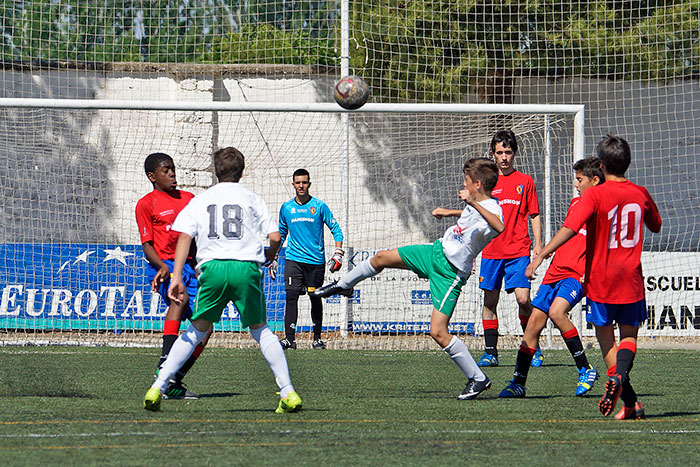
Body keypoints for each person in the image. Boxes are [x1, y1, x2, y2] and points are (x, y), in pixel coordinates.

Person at [314, 157, 504, 400]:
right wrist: (450, 212)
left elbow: (499, 226)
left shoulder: (493, 208)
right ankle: (344, 285)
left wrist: (472, 203)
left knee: (438, 332)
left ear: (478, 184)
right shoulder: (475, 204)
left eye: (467, 181)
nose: (463, 185)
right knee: (382, 257)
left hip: (450, 273)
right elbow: (472, 217)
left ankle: (478, 378)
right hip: (435, 252)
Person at [143, 147, 302, 414]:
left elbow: (184, 237)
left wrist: (177, 275)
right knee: (261, 331)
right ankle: (288, 392)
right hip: (245, 268)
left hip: (213, 268)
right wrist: (269, 256)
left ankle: (157, 387)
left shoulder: (202, 199)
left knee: (195, 331)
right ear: (242, 172)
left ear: (216, 171)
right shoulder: (253, 198)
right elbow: (275, 237)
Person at [526, 135, 661, 419]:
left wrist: (542, 253)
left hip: (600, 280)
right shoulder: (640, 193)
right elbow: (656, 225)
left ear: (601, 166)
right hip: (631, 279)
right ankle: (628, 396)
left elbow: (570, 228)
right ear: (628, 162)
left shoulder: (594, 195)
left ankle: (624, 390)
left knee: (606, 341)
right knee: (629, 337)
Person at [498, 157, 603, 399]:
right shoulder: (576, 203)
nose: (576, 185)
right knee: (533, 326)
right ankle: (518, 383)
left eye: (580, 180)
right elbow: (568, 234)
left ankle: (585, 369)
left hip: (576, 274)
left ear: (595, 180)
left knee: (557, 312)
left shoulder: (602, 208)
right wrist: (549, 255)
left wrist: (540, 256)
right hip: (556, 270)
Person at [135, 152, 208, 400]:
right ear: (152, 176)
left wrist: (200, 265)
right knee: (180, 299)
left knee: (206, 326)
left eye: (173, 169)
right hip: (163, 265)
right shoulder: (146, 204)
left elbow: (196, 238)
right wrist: (162, 267)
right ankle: (165, 361)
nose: (172, 174)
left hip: (189, 266)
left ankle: (174, 379)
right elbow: (147, 245)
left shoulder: (189, 199)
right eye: (166, 170)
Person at [477, 130, 543, 368]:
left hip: (519, 251)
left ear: (514, 153)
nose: (504, 157)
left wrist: (539, 244)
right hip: (491, 251)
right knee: (489, 301)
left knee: (523, 299)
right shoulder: (486, 182)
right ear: (493, 154)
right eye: (499, 152)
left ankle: (532, 347)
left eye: (507, 152)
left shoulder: (525, 181)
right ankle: (490, 353)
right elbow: (477, 216)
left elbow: (534, 214)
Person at [277, 169, 344, 350]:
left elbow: (336, 230)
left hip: (315, 262)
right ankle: (289, 339)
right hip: (293, 260)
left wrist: (338, 252)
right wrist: (274, 257)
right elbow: (281, 233)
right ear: (293, 184)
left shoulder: (319, 206)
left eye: (304, 182)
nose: (301, 186)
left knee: (315, 297)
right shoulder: (286, 208)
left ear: (309, 184)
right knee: (291, 296)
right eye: (298, 182)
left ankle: (317, 339)